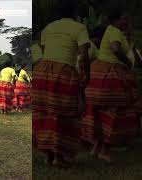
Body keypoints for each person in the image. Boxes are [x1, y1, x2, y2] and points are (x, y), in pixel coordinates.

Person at [32, 0, 90, 167]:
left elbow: (44, 50)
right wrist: (86, 75)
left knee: (44, 112)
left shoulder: (48, 28)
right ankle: (59, 155)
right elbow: (84, 55)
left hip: (42, 71)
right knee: (65, 113)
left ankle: (48, 154)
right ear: (75, 12)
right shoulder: (79, 28)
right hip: (64, 72)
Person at [81, 9, 139, 162]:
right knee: (113, 113)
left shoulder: (115, 31)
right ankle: (104, 150)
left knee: (103, 112)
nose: (127, 22)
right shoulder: (114, 31)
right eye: (124, 19)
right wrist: (126, 63)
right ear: (116, 20)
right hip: (110, 75)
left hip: (103, 73)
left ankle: (97, 148)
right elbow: (115, 48)